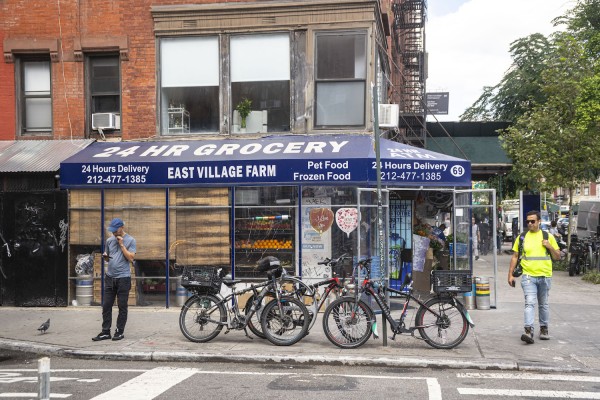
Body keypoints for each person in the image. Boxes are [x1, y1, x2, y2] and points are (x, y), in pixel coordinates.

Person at [508, 210, 560, 344]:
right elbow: (515, 256)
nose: (530, 223)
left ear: (539, 222)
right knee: (529, 303)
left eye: (532, 221)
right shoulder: (522, 237)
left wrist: (550, 247)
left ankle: (544, 329)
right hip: (528, 276)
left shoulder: (548, 236)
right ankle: (528, 331)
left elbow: (557, 256)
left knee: (543, 304)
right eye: (528, 221)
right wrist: (510, 275)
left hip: (545, 276)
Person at [93, 218, 136, 341]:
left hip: (123, 278)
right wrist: (105, 257)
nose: (113, 233)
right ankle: (106, 331)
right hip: (110, 277)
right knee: (106, 305)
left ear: (122, 227)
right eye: (111, 230)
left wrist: (122, 245)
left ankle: (119, 331)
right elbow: (108, 258)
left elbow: (131, 258)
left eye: (115, 230)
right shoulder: (109, 240)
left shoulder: (131, 240)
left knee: (122, 306)